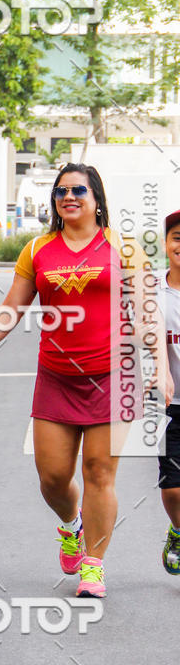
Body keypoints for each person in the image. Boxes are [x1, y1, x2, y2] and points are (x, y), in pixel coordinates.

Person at [0, 163, 166, 599]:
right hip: (56, 377)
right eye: (61, 191)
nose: (68, 196)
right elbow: (11, 309)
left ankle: (94, 565)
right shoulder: (37, 249)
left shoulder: (124, 248)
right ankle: (72, 525)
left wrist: (160, 368)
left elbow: (148, 313)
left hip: (115, 376)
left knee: (99, 472)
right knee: (52, 478)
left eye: (78, 190)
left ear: (97, 199)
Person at [158, 209, 180, 574]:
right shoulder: (154, 293)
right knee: (173, 488)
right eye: (177, 238)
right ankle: (177, 530)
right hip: (171, 406)